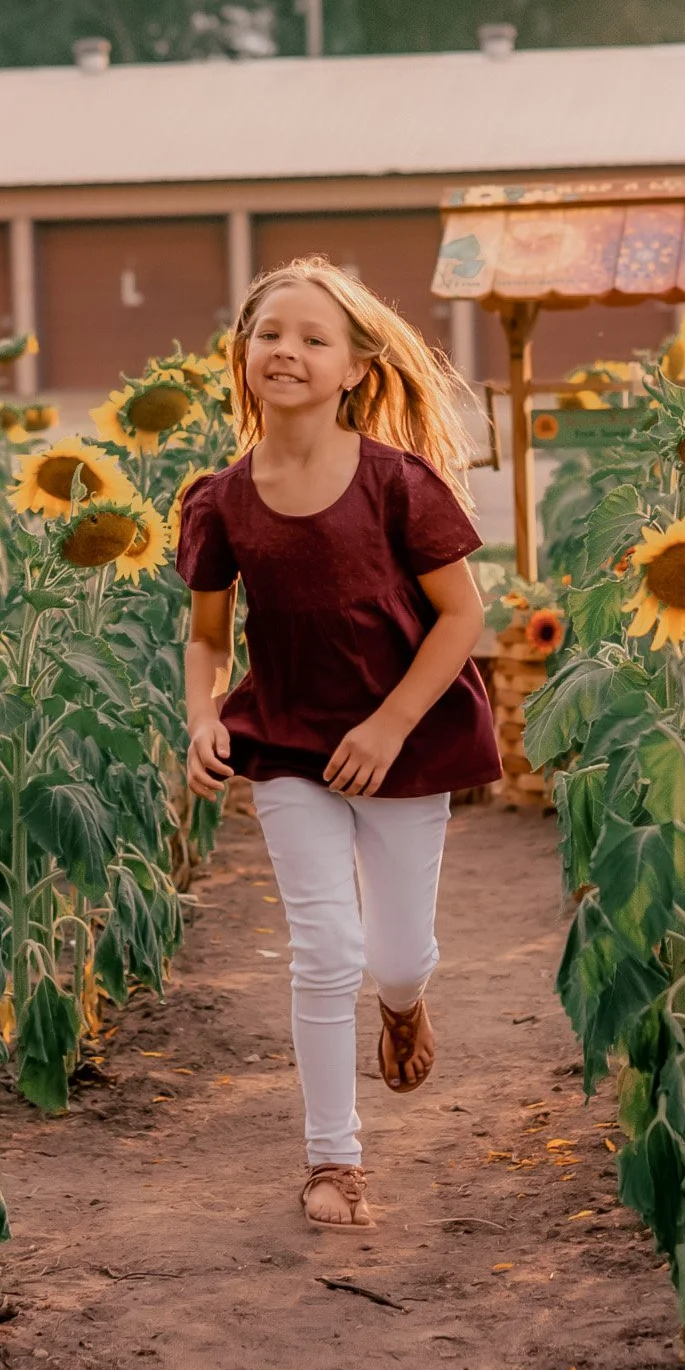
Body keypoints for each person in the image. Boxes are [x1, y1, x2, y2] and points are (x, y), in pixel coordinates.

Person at [178, 257, 501, 1229]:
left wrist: (391, 719)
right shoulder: (221, 500)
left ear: (357, 364)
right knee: (323, 948)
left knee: (396, 956)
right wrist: (202, 713)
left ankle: (404, 1001)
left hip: (401, 740)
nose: (289, 350)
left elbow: (462, 617)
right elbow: (205, 635)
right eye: (271, 333)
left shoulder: (398, 483)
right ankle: (333, 1160)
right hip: (284, 743)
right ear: (242, 353)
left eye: (314, 338)